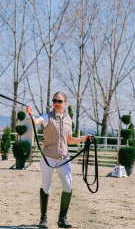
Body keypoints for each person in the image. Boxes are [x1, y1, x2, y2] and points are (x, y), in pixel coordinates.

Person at [26, 92, 92, 228]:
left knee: (68, 186)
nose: (56, 102)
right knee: (46, 187)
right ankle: (43, 218)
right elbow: (36, 122)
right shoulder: (47, 117)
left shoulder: (68, 119)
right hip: (48, 158)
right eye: (54, 100)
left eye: (60, 101)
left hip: (63, 158)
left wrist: (84, 138)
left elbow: (69, 140)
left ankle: (62, 219)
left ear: (65, 104)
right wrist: (31, 114)